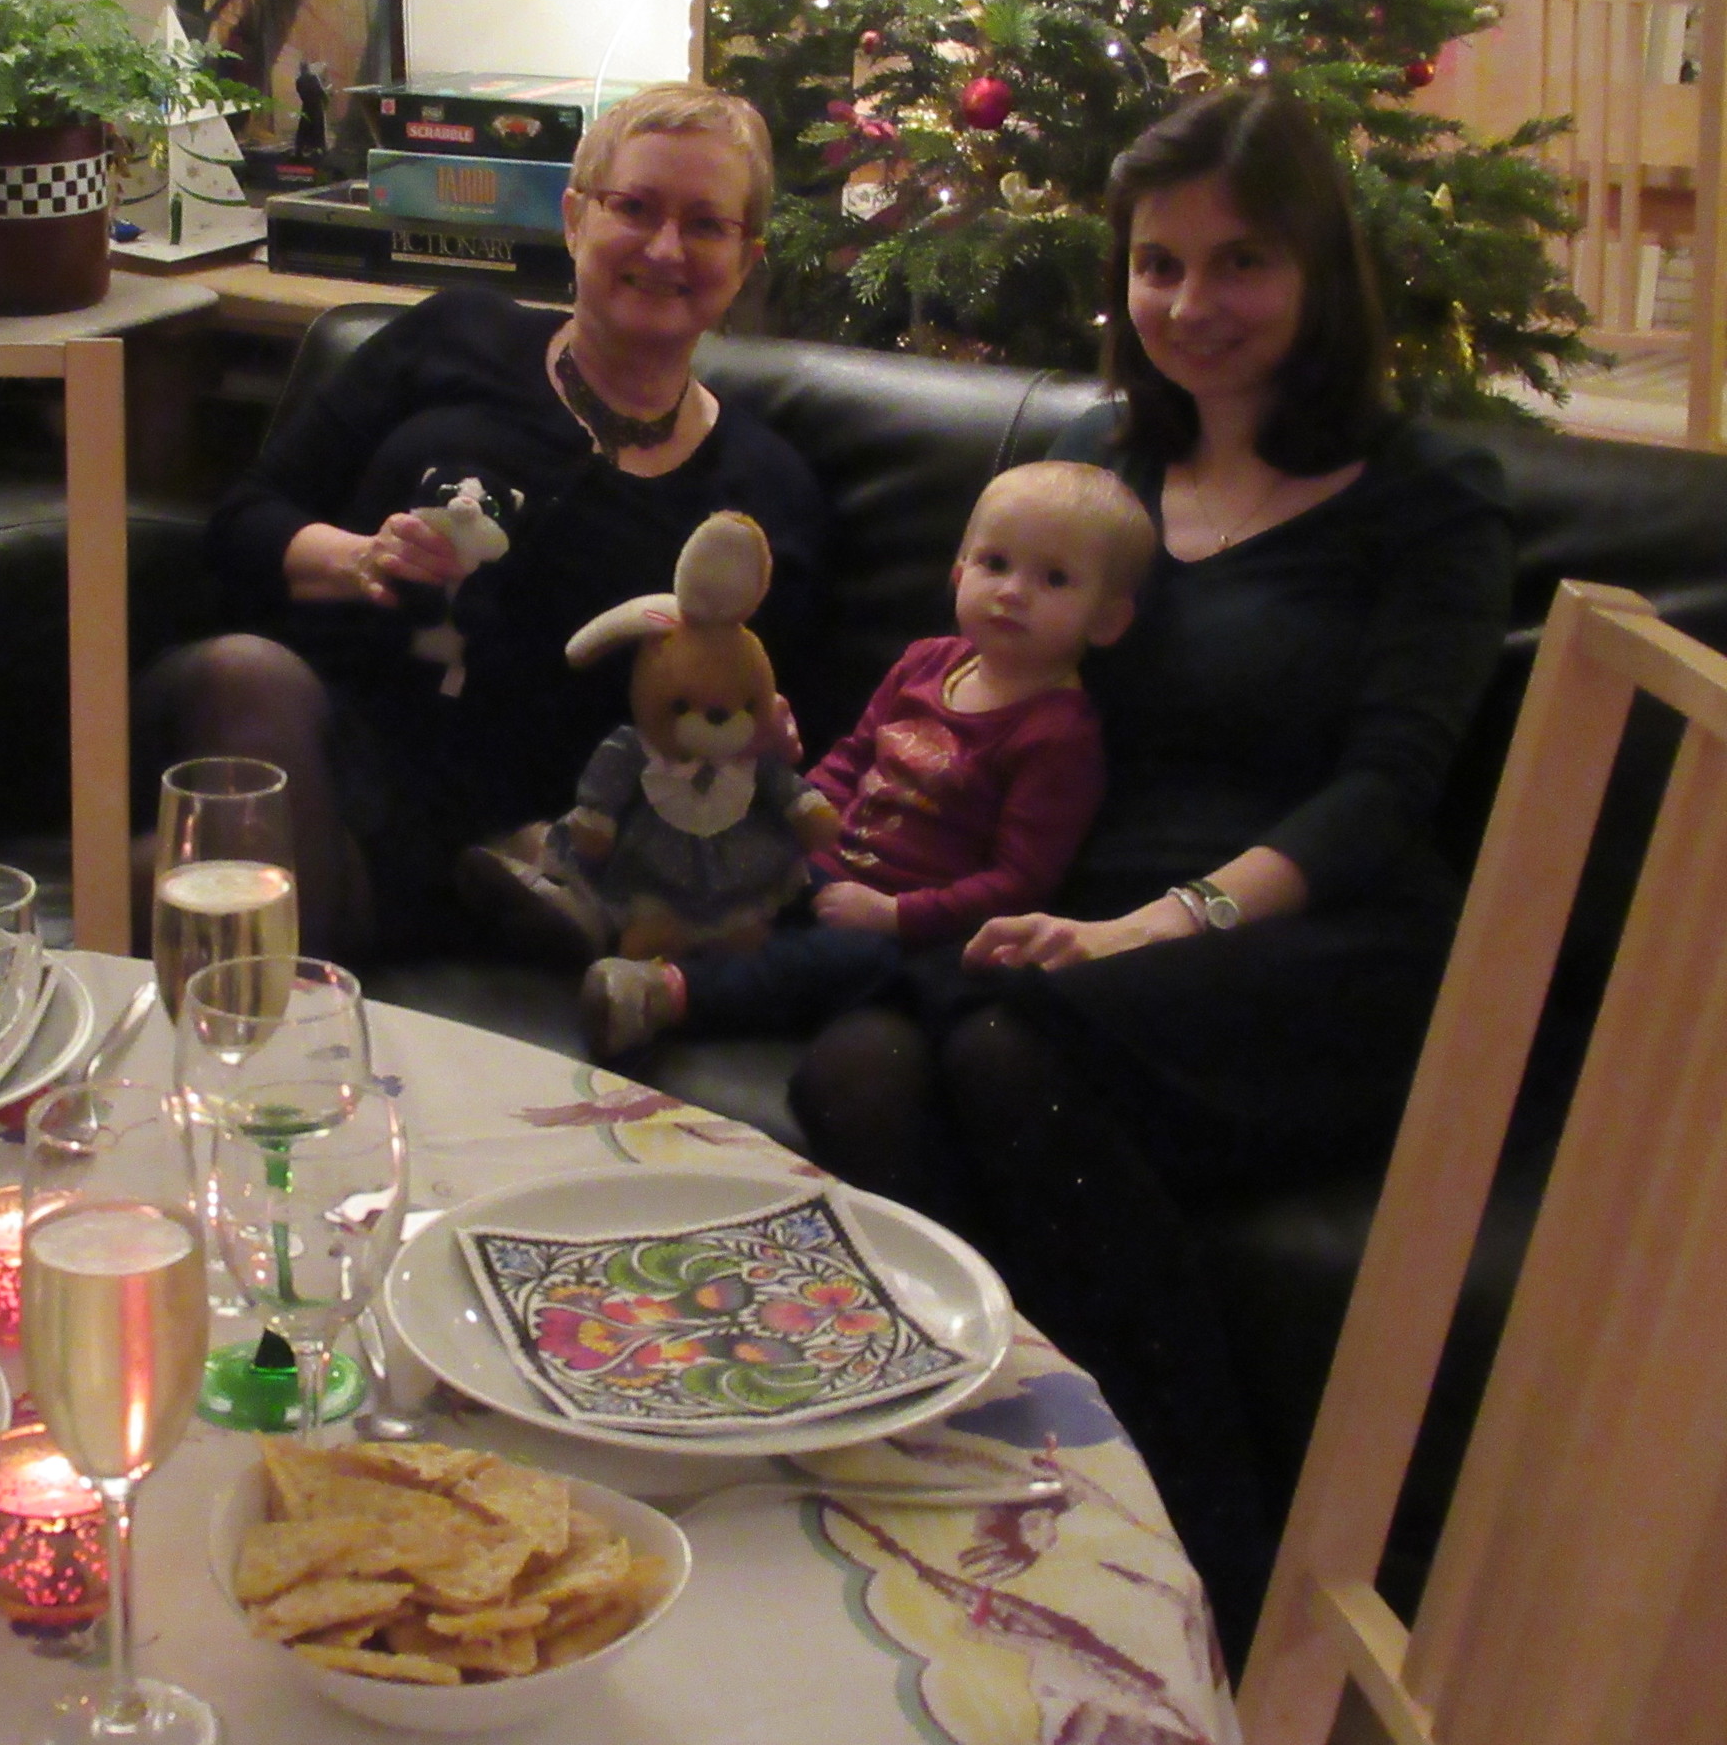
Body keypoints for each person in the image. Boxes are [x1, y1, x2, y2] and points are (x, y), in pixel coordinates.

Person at [783, 85, 1512, 1666]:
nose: (1191, 304)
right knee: (854, 1069)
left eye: (1241, 262)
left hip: (1314, 939)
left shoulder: (1428, 500)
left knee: (1002, 1053)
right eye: (1158, 264)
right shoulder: (1099, 475)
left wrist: (1162, 924)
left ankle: (1218, 1580)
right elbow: (981, 708)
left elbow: (1386, 792)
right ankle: (989, 1508)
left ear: (1319, 271)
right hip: (1078, 919)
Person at [145, 84, 826, 960]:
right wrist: (360, 559)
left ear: (744, 260)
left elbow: (765, 723)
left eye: (705, 224)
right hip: (298, 734)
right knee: (246, 677)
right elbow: (243, 522)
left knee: (184, 895)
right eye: (634, 208)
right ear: (575, 219)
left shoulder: (761, 495)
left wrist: (761, 740)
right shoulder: (454, 335)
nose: (664, 247)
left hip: (504, 848)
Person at [580, 459, 1155, 1057]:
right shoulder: (924, 662)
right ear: (959, 572)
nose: (1012, 591)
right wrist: (797, 824)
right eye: (995, 563)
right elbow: (851, 760)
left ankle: (664, 994)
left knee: (851, 961)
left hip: (906, 930)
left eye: (1054, 578)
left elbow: (1018, 883)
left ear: (1107, 619)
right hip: (819, 867)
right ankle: (598, 909)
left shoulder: (1059, 737)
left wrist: (895, 914)